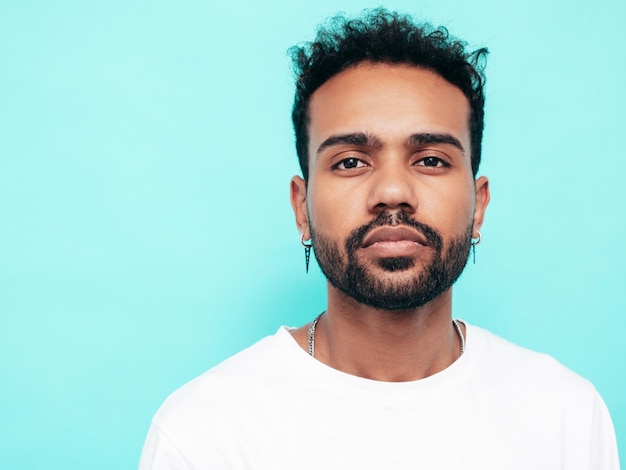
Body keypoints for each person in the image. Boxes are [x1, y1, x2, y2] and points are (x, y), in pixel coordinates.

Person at [139, 9, 619, 469]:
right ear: (300, 208)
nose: (392, 192)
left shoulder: (566, 415)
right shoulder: (202, 434)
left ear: (480, 205)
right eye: (350, 161)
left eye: (431, 159)